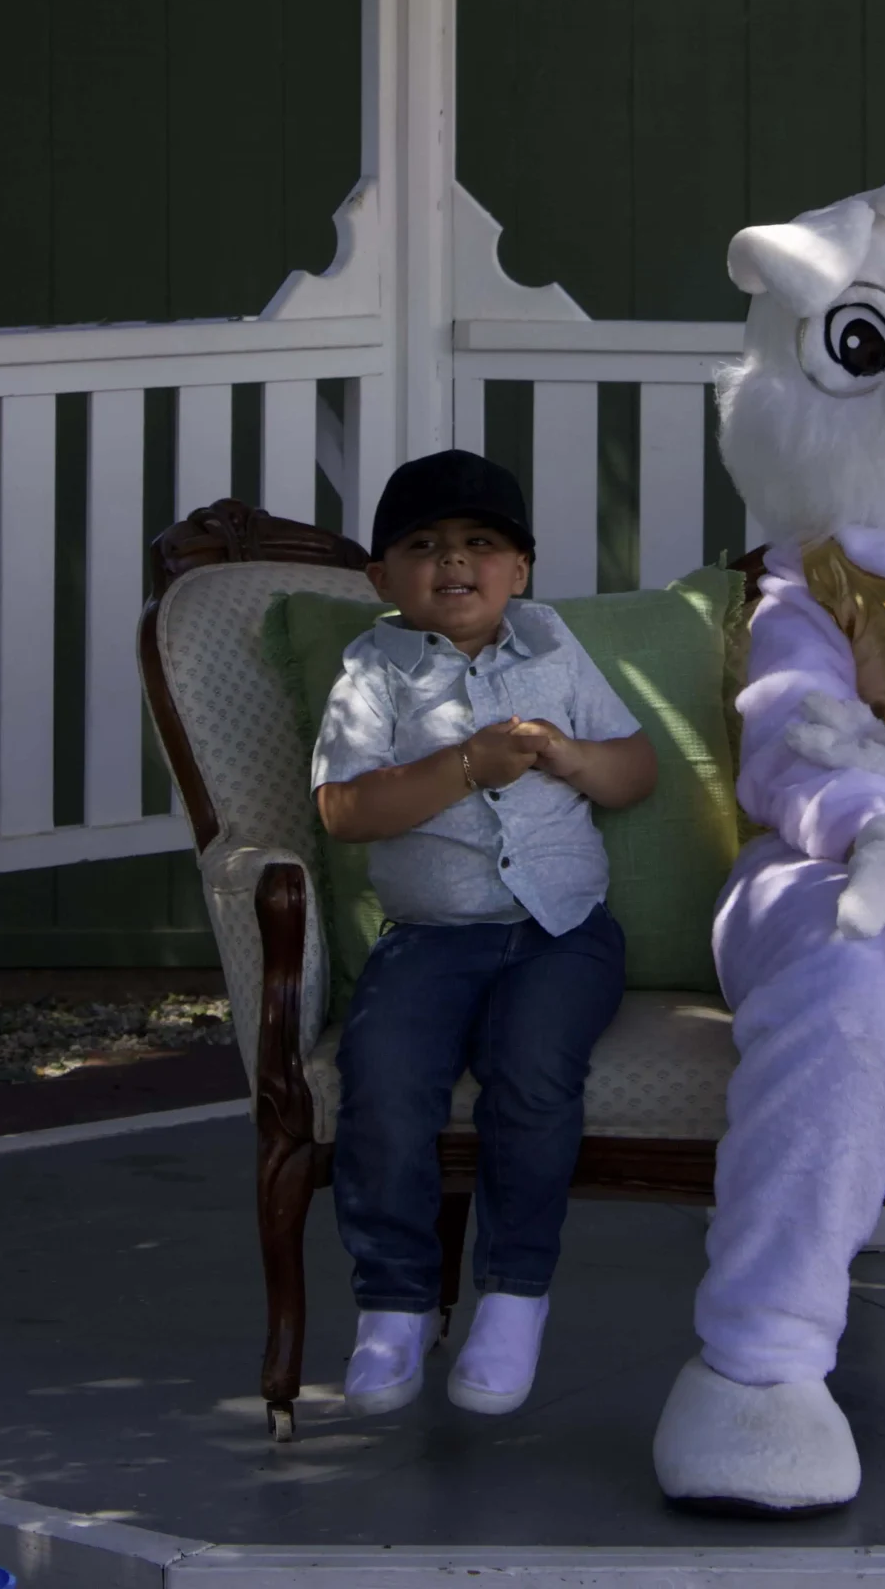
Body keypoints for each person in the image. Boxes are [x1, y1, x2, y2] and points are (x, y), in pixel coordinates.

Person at [312, 448, 656, 1419]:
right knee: (385, 1083)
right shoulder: (373, 671)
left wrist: (570, 756)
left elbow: (635, 770)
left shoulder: (552, 646)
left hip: (562, 932)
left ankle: (514, 1295)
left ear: (521, 568)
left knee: (532, 1074)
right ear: (381, 578)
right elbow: (343, 810)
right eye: (424, 546)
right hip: (430, 936)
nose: (454, 561)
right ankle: (394, 1302)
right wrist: (466, 764)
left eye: (480, 543)